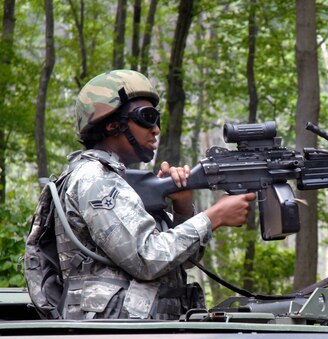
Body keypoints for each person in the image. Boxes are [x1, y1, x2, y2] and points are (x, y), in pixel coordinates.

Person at [54, 69, 255, 320]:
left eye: (157, 119)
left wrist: (182, 209)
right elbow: (146, 258)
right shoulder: (95, 179)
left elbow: (179, 263)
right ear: (112, 124)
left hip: (135, 338)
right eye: (146, 117)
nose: (156, 130)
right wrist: (213, 216)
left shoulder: (118, 182)